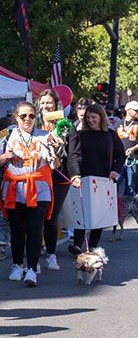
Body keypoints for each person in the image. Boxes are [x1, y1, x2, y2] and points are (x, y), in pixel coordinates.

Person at [0, 100, 52, 286]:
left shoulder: (45, 135)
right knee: (17, 230)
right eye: (23, 116)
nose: (27, 119)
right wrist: (5, 156)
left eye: (31, 116)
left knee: (35, 229)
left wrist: (57, 147)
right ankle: (17, 265)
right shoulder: (6, 133)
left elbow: (55, 163)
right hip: (15, 189)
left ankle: (32, 270)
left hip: (39, 188)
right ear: (16, 117)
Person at [66, 102, 125, 252]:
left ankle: (93, 245)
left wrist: (115, 170)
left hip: (104, 178)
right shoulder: (81, 135)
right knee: (82, 211)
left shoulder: (110, 135)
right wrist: (75, 174)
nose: (90, 120)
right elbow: (74, 155)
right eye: (88, 118)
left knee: (98, 213)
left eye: (93, 117)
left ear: (101, 117)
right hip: (84, 176)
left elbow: (120, 155)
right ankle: (78, 244)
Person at [34, 88, 72, 271]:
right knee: (35, 217)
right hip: (35, 175)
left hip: (58, 176)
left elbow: (70, 151)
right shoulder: (32, 124)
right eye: (42, 103)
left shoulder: (63, 125)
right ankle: (33, 256)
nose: (46, 106)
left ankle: (51, 254)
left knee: (51, 217)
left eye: (49, 103)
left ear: (56, 104)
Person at [120, 101, 138, 199]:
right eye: (135, 110)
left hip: (133, 160)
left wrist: (133, 149)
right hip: (118, 160)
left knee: (130, 186)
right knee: (115, 182)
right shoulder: (118, 123)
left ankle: (131, 209)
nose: (137, 112)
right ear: (128, 110)